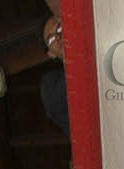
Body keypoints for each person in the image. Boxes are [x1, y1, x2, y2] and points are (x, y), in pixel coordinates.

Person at [41, 5, 70, 136]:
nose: (58, 37)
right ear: (51, 54)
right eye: (51, 39)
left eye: (59, 28)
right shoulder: (52, 85)